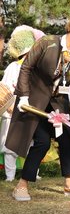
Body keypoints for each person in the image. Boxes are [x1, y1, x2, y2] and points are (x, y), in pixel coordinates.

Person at [6, 13, 70, 201]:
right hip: (34, 101)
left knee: (67, 140)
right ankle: (21, 186)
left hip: (58, 104)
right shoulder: (47, 42)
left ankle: (69, 185)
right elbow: (26, 68)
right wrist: (23, 97)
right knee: (42, 142)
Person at [0, 26, 44, 181]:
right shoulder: (12, 67)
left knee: (32, 144)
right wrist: (9, 106)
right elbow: (4, 89)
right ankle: (10, 176)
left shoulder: (37, 69)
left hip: (30, 111)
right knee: (9, 146)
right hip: (12, 111)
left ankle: (33, 173)